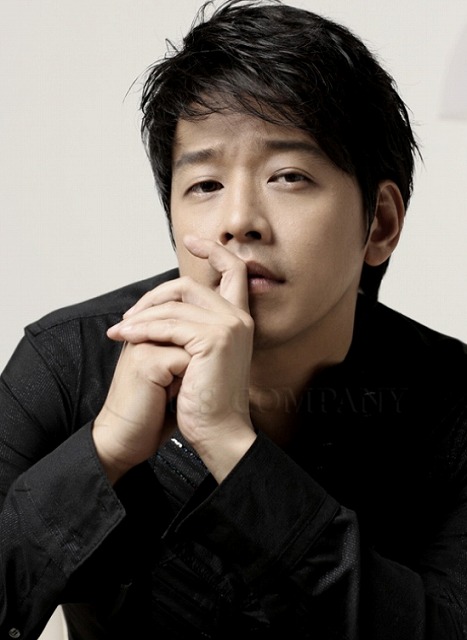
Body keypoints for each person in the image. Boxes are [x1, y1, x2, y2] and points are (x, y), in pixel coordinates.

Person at [1, 0, 467, 637]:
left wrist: (230, 447)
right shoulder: (70, 361)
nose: (238, 220)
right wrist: (103, 450)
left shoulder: (452, 401)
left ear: (379, 223)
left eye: (289, 176)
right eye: (205, 186)